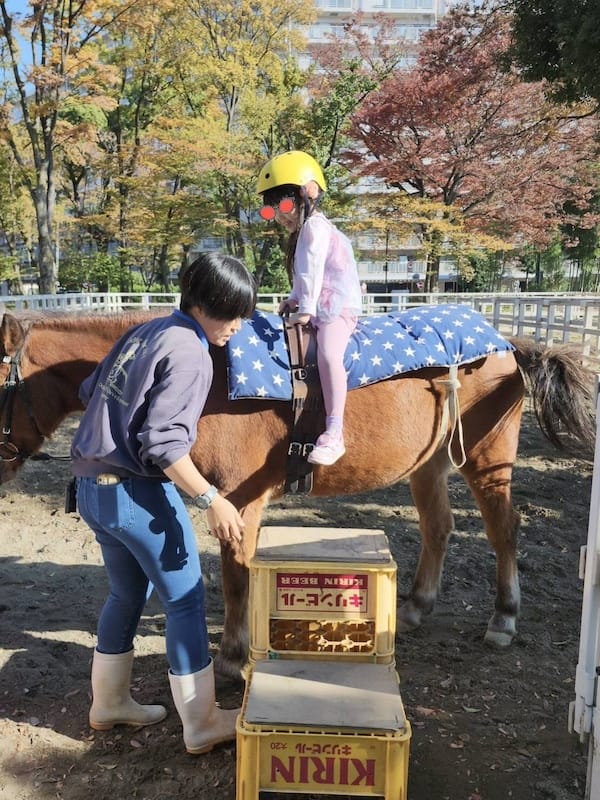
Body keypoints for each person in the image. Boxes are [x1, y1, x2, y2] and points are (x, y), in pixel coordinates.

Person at [70, 252, 256, 755]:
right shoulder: (191, 350)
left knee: (125, 595)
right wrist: (211, 498)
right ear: (202, 304)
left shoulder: (145, 331)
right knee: (185, 600)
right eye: (231, 313)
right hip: (136, 493)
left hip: (91, 487)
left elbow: (90, 389)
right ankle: (202, 721)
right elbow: (164, 444)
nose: (237, 327)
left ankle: (108, 703)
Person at [257, 150, 362, 465]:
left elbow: (315, 273)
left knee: (329, 354)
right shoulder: (307, 230)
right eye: (272, 211)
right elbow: (306, 273)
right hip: (320, 302)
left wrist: (306, 307)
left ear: (309, 194)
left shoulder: (316, 227)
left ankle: (334, 432)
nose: (281, 216)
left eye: (286, 206)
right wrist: (295, 297)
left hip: (336, 308)